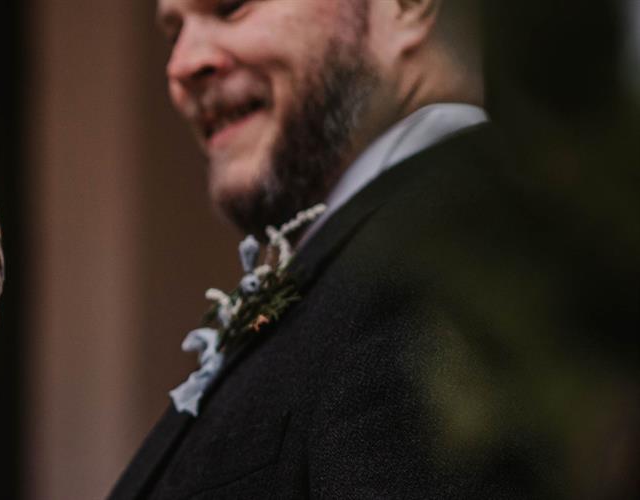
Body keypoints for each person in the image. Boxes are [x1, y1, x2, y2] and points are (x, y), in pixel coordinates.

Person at [108, 0, 559, 497]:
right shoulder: (378, 259)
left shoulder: (444, 265)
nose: (181, 66)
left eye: (231, 7)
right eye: (174, 31)